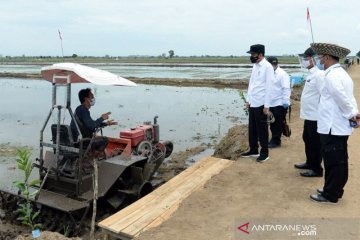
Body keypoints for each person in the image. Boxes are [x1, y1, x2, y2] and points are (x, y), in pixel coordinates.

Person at [309, 42, 359, 204]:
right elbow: (349, 97)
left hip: (332, 126)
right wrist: (354, 113)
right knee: (338, 160)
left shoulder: (332, 76)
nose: (319, 60)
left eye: (321, 57)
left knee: (334, 161)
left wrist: (352, 115)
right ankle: (333, 189)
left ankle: (330, 194)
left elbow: (342, 98)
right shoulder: (341, 73)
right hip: (335, 125)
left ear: (328, 57)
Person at [241, 44, 275, 162]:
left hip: (261, 103)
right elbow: (252, 84)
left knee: (262, 129)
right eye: (251, 54)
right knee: (252, 128)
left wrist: (267, 106)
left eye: (253, 54)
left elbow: (269, 87)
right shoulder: (255, 66)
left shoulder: (267, 67)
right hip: (253, 102)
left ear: (260, 54)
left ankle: (264, 152)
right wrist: (248, 100)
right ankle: (253, 149)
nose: (252, 56)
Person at [294, 48, 325, 177]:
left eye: (306, 59)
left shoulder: (319, 75)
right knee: (307, 138)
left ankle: (316, 169)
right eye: (304, 59)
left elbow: (324, 95)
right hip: (308, 115)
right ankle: (309, 162)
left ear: (314, 59)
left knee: (315, 143)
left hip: (315, 116)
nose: (304, 61)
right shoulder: (311, 74)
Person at [70, 88, 117, 152]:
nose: (93, 98)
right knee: (105, 140)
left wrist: (106, 123)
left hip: (76, 140)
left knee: (96, 137)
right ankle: (91, 158)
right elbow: (92, 125)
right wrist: (102, 118)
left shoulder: (80, 109)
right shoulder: (83, 110)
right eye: (92, 96)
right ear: (86, 99)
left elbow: (91, 123)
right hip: (81, 142)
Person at [267, 56, 291, 148]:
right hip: (271, 102)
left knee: (278, 123)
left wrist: (285, 102)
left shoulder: (282, 74)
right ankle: (273, 139)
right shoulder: (270, 73)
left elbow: (286, 88)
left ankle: (276, 141)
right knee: (272, 122)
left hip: (280, 103)